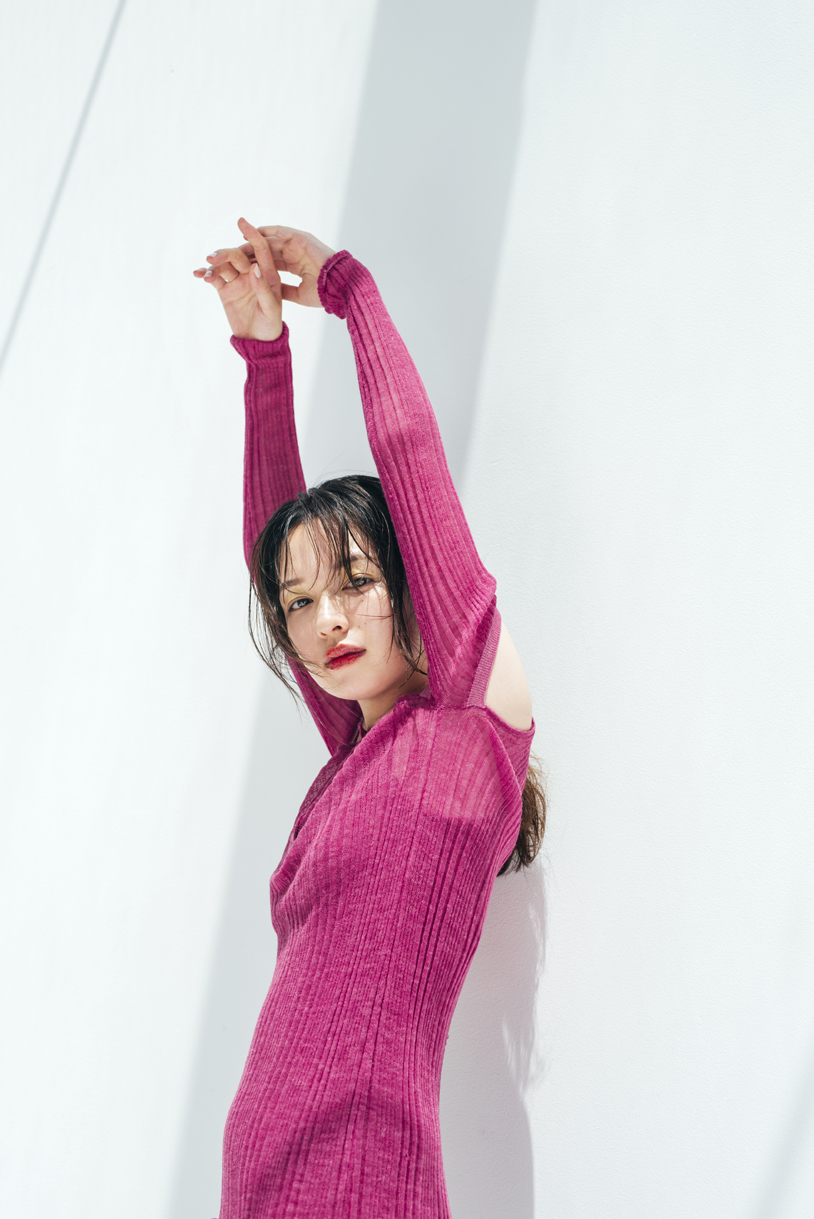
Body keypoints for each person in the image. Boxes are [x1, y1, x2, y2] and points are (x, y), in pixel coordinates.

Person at [193, 219, 545, 1219]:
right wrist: (263, 359)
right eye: (303, 604)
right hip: (258, 1181)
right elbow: (272, 549)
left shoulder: (468, 733)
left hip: (361, 1177)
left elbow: (407, 455)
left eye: (356, 582)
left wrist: (350, 291)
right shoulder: (355, 755)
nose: (326, 620)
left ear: (411, 579)